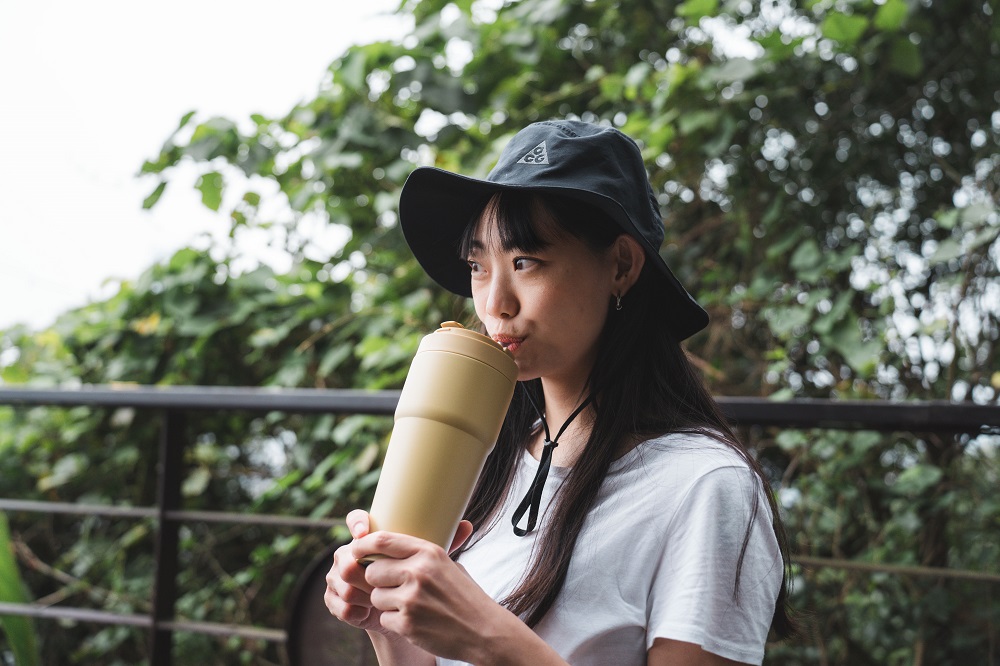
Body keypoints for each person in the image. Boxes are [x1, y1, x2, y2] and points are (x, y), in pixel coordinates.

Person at [324, 120, 794, 665]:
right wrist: (391, 624)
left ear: (621, 265)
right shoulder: (482, 460)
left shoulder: (706, 485)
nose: (494, 304)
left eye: (525, 262)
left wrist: (489, 638)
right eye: (478, 266)